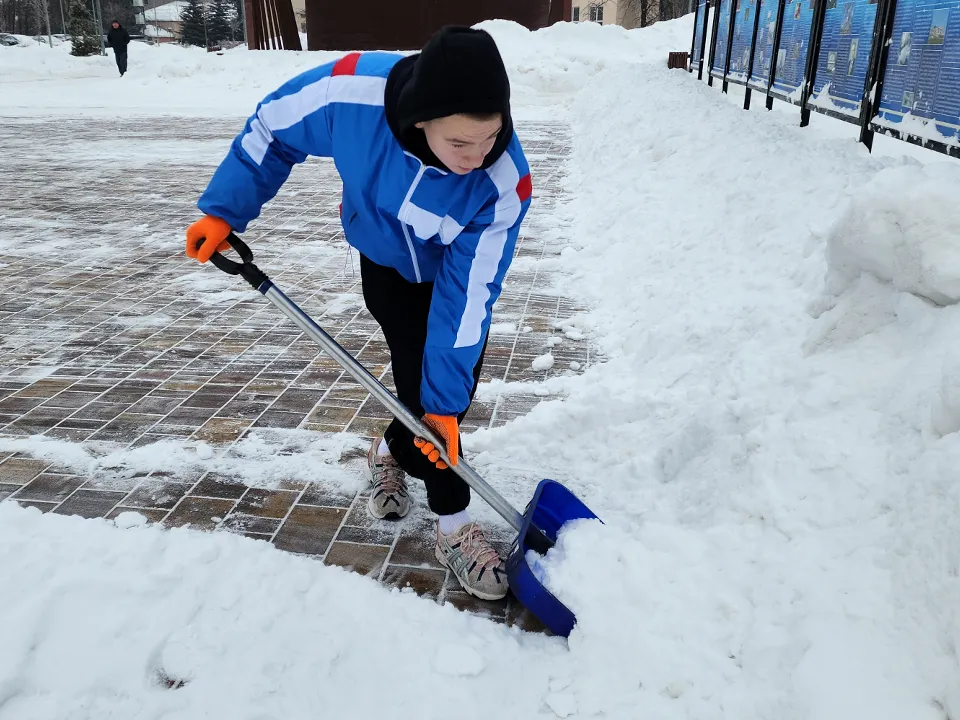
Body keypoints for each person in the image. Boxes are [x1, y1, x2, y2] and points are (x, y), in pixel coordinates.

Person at [185, 26, 532, 601]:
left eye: (492, 137)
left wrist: (445, 407)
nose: (478, 158)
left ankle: (388, 451)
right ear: (422, 120)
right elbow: (272, 127)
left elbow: (468, 298)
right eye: (460, 144)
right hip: (387, 267)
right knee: (421, 397)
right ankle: (452, 526)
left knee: (445, 398)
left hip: (451, 276)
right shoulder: (351, 95)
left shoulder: (501, 185)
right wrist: (224, 210)